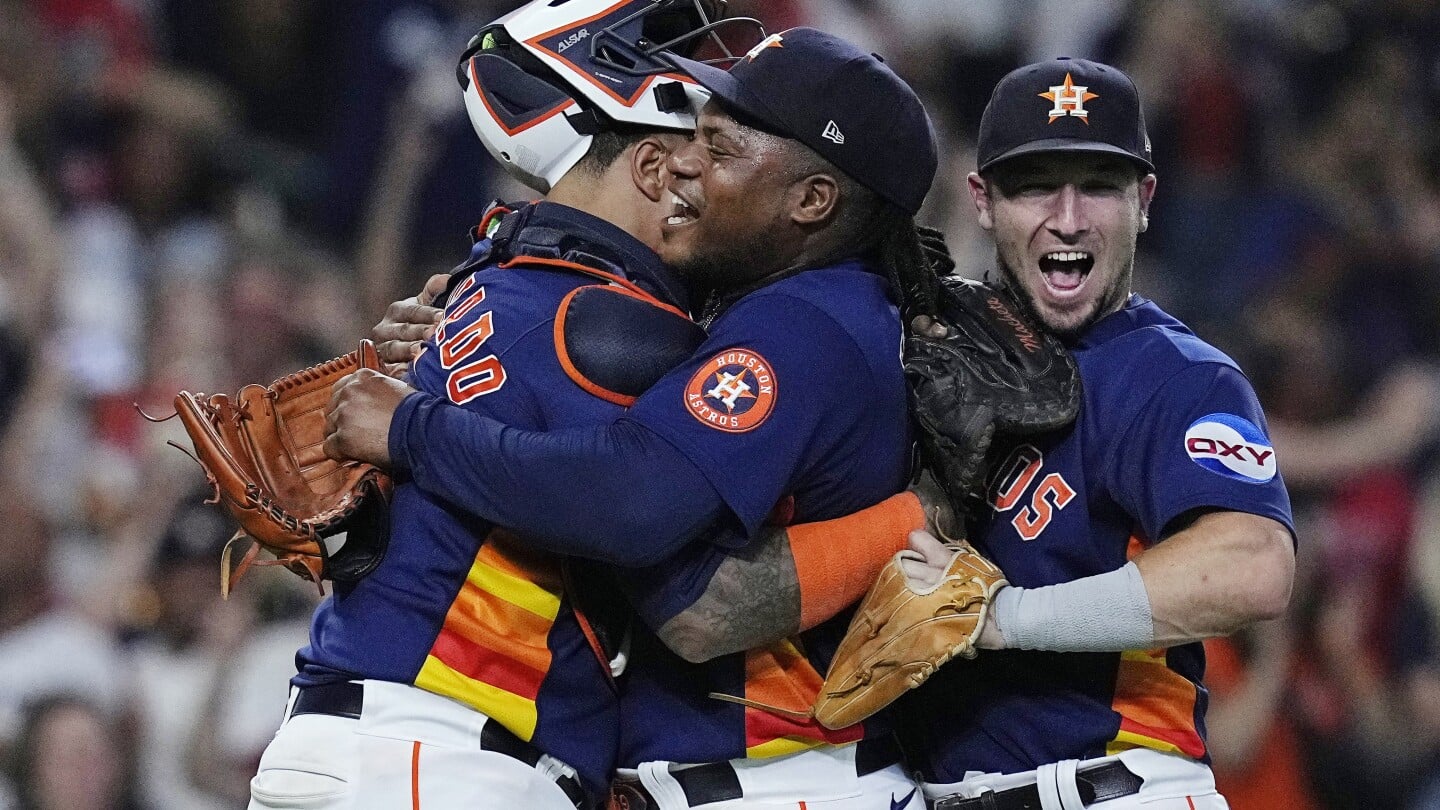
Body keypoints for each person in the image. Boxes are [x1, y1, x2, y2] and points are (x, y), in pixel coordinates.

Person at [325, 26, 943, 810]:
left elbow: (660, 548)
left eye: (719, 149)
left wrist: (417, 426)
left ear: (811, 201)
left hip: (784, 781)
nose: (687, 162)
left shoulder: (803, 321)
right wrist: (470, 342)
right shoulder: (781, 309)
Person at [247, 2, 765, 808]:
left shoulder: (484, 286)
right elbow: (649, 510)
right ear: (653, 171)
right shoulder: (615, 328)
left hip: (356, 737)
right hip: (444, 757)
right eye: (696, 163)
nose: (713, 187)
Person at [893, 57, 1297, 810]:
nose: (1070, 218)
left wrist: (1005, 617)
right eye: (1036, 183)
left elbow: (1253, 564)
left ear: (1144, 199)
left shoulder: (1178, 376)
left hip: (1109, 790)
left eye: (1100, 186)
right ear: (982, 200)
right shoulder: (920, 348)